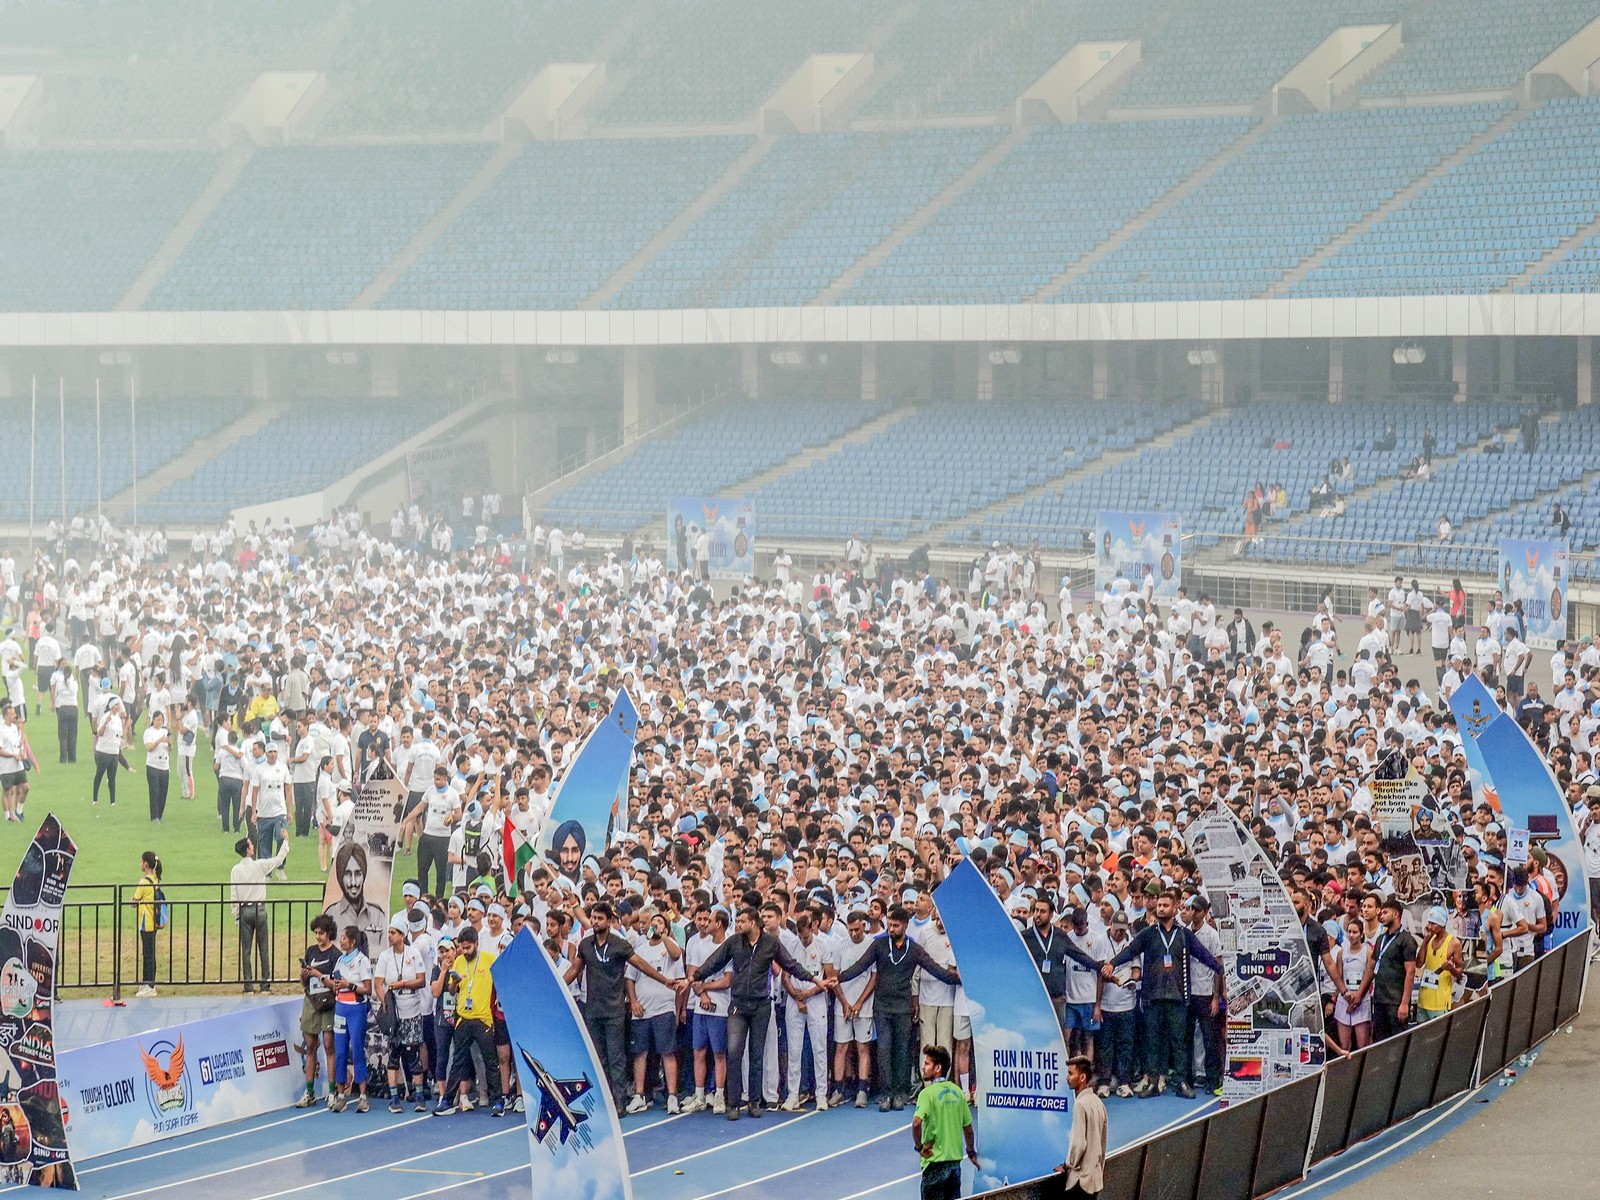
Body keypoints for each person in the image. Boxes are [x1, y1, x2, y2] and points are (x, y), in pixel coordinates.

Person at [686, 904, 821, 1120]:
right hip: (738, 1004)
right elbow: (714, 961)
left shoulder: (770, 943)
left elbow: (791, 965)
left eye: (741, 921)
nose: (737, 925)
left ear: (753, 923)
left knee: (757, 1054)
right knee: (734, 1052)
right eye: (737, 921)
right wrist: (693, 977)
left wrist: (814, 979)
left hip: (760, 1005)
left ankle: (754, 1102)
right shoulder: (734, 942)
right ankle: (734, 1103)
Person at [565, 900, 690, 1114]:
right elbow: (574, 969)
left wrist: (664, 980)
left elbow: (641, 965)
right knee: (598, 1057)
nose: (595, 922)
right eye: (593, 918)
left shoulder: (619, 944)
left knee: (616, 1057)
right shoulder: (586, 945)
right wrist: (556, 985)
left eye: (599, 918)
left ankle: (619, 1101)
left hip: (614, 1010)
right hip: (592, 1008)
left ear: (609, 921)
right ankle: (603, 1100)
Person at [835, 905, 962, 1112]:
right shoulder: (879, 945)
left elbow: (934, 969)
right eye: (890, 925)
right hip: (882, 1008)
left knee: (901, 1051)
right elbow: (860, 966)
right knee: (884, 1050)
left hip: (903, 1008)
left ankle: (899, 1093)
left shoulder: (914, 949)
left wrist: (958, 980)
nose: (891, 929)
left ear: (905, 925)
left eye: (895, 926)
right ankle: (886, 1093)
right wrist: (837, 978)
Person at [1103, 890, 1225, 1099]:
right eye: (1159, 905)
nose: (1160, 909)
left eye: (1165, 905)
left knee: (1179, 1042)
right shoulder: (1149, 934)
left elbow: (1204, 955)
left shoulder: (1184, 935)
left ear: (1175, 907)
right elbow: (1130, 950)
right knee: (1152, 1041)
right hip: (1152, 997)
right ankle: (1151, 1082)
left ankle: (1181, 1083)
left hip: (1178, 996)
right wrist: (1112, 963)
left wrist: (1222, 969)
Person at [435, 925, 503, 1116]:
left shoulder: (490, 959)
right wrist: (455, 981)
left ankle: (499, 1100)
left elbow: (502, 978)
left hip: (483, 1019)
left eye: (468, 948)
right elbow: (451, 991)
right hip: (463, 1018)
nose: (465, 952)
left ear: (476, 944)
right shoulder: (458, 962)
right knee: (457, 1060)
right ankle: (447, 1100)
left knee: (490, 1061)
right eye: (462, 948)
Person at [374, 916, 429, 1113]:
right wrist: (384, 1002)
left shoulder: (413, 953)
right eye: (389, 932)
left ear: (403, 935)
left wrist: (403, 984)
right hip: (395, 1014)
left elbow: (421, 980)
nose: (389, 936)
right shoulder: (385, 956)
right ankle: (394, 1097)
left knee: (413, 1053)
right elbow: (378, 983)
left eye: (393, 933)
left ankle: (419, 1095)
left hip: (412, 1011)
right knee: (394, 1054)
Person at [911, 1044, 977, 1200]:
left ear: (937, 1068)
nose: (923, 1067)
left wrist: (920, 1147)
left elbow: (916, 1123)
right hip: (955, 1166)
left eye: (927, 1064)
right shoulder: (958, 1092)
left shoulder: (927, 1094)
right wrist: (971, 1152)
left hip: (934, 1165)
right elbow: (968, 1129)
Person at [230, 834, 290, 993]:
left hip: (244, 911)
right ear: (248, 850)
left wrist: (236, 915)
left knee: (246, 950)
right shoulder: (260, 866)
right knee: (264, 948)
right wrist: (285, 842)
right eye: (251, 845)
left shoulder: (235, 870)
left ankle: (248, 985)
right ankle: (265, 985)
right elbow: (278, 860)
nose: (253, 847)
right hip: (260, 910)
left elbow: (234, 895)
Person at [297, 914, 340, 1107]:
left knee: (329, 1045)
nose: (318, 937)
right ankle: (310, 1091)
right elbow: (302, 981)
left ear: (329, 933)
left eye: (321, 933)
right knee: (311, 1046)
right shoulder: (311, 951)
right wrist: (305, 975)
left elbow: (336, 984)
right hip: (311, 1002)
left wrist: (318, 974)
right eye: (315, 933)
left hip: (328, 1003)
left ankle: (332, 1092)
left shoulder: (335, 955)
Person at [330, 925, 373, 1113]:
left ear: (352, 941)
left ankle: (363, 1096)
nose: (341, 941)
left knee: (356, 1050)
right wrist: (335, 985)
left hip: (356, 1009)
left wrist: (350, 985)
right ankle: (340, 1095)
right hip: (340, 1008)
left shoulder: (362, 961)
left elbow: (368, 989)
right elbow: (335, 982)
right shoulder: (340, 960)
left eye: (344, 938)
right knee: (340, 1051)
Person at [1057, 1055, 1107, 1200]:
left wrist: (1067, 1165)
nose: (1067, 1078)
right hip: (1095, 1179)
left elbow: (1079, 1144)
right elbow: (1103, 1142)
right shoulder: (1098, 1103)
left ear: (1082, 1077)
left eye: (1071, 1073)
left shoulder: (1080, 1105)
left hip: (1080, 1180)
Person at [1370, 898, 1417, 1040]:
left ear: (1395, 914)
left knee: (1396, 1041)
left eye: (1385, 912)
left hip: (1395, 1001)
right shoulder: (1380, 939)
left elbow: (1411, 972)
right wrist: (1360, 994)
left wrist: (1404, 1003)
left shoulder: (1406, 940)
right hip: (1379, 999)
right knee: (1379, 1040)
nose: (1381, 916)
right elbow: (1371, 967)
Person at [1331, 916, 1375, 1052]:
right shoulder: (1342, 953)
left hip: (1361, 1000)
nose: (1351, 935)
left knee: (1363, 1045)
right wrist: (1343, 995)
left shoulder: (1367, 952)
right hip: (1345, 1000)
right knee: (1344, 1046)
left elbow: (1370, 976)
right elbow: (1339, 976)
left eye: (1355, 932)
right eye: (1349, 932)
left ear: (1361, 934)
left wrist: (1358, 996)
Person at [1415, 906, 1462, 1022]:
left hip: (1440, 1001)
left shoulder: (1453, 943)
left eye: (1433, 924)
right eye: (1429, 923)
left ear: (1442, 924)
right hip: (1424, 998)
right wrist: (1425, 940)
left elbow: (1460, 972)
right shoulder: (1429, 938)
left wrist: (1451, 969)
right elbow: (1419, 963)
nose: (1430, 927)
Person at [132, 851, 162, 997]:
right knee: (149, 952)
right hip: (153, 922)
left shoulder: (144, 882)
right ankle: (147, 982)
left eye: (141, 861)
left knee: (148, 954)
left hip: (146, 922)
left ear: (146, 864)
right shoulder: (155, 880)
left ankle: (150, 985)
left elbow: (134, 901)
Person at [91, 689, 124, 807]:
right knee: (99, 775)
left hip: (114, 752)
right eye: (116, 705)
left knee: (112, 778)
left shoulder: (118, 719)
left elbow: (119, 735)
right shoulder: (106, 717)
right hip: (103, 751)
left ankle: (113, 801)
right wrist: (105, 723)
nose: (118, 707)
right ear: (111, 706)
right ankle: (95, 799)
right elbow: (99, 733)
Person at [142, 709, 171, 823]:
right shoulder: (149, 732)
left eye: (161, 720)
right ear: (153, 720)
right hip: (153, 765)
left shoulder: (165, 731)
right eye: (158, 720)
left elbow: (170, 748)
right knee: (154, 791)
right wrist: (158, 741)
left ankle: (160, 813)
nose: (160, 722)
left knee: (164, 791)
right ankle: (154, 816)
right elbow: (148, 747)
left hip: (164, 765)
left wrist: (169, 743)